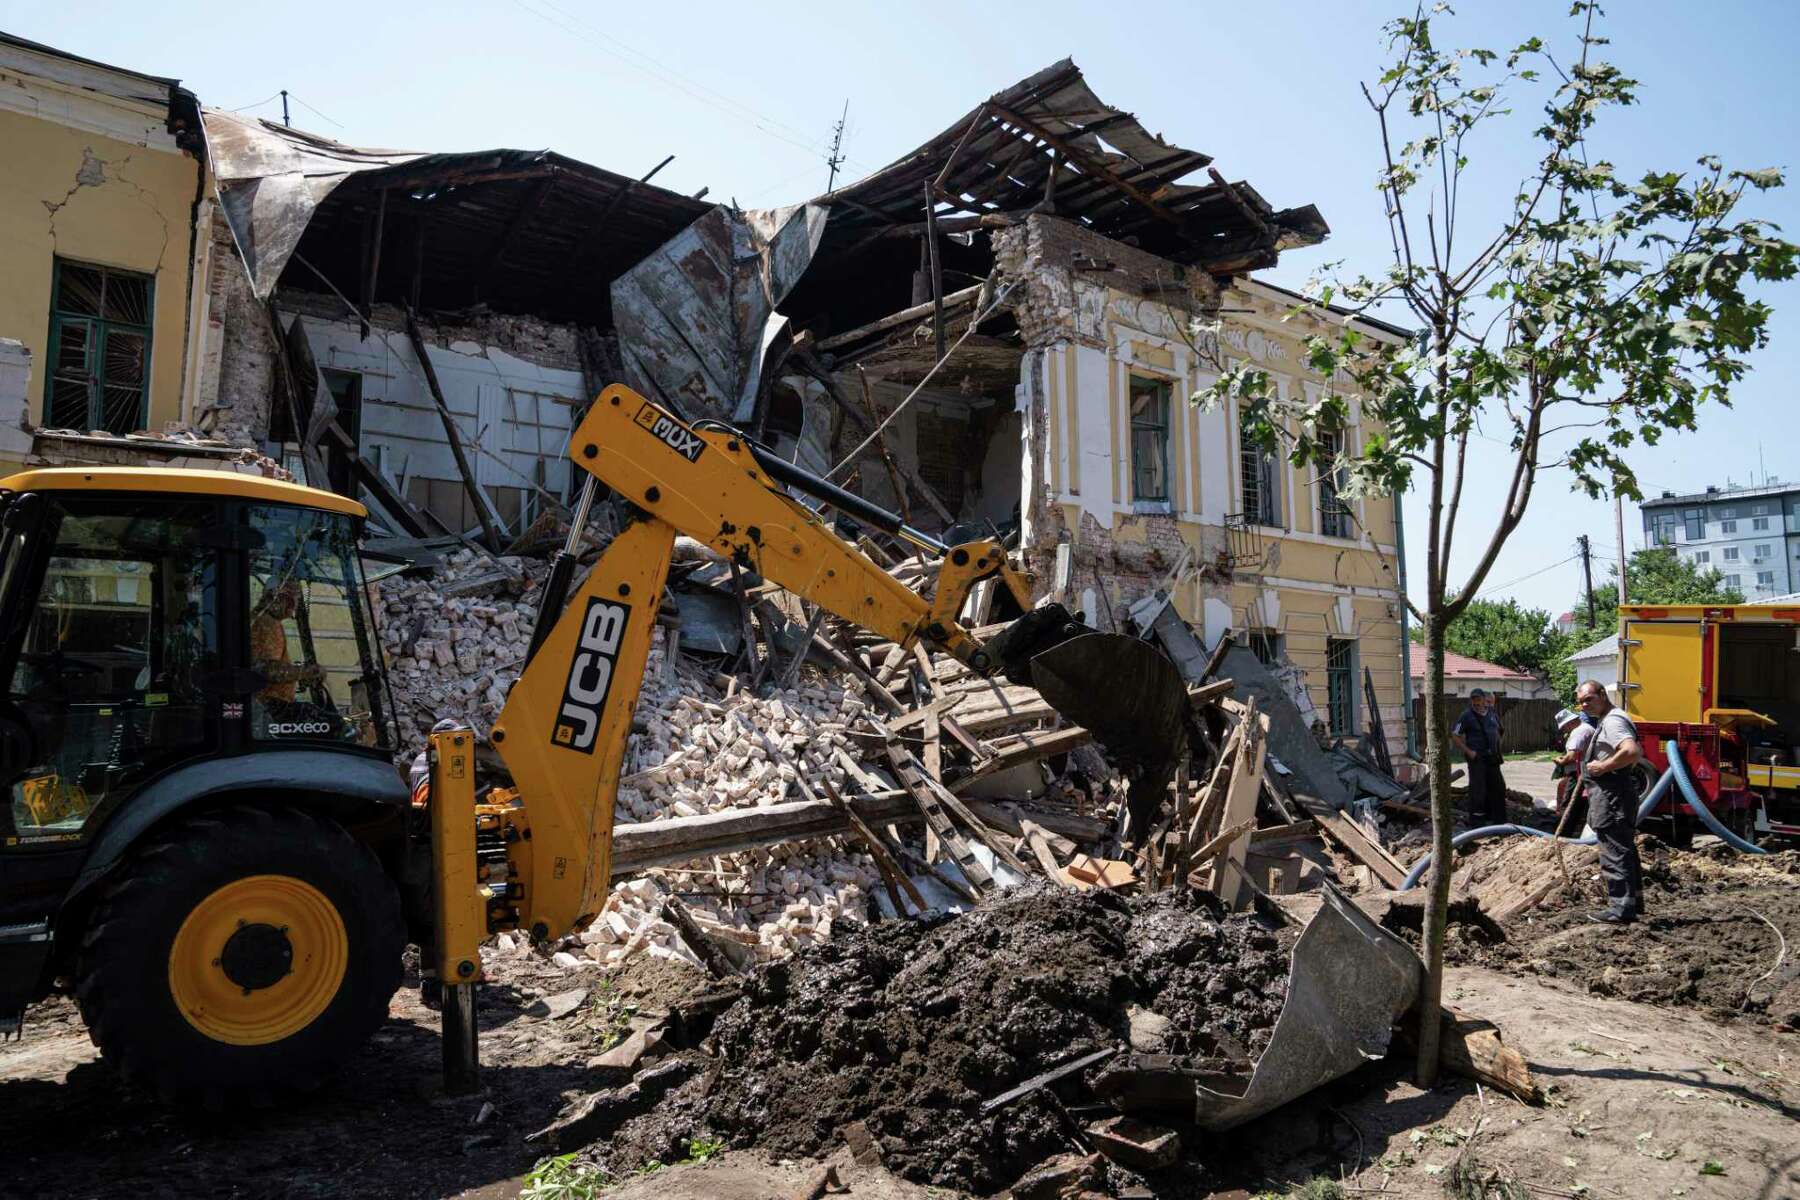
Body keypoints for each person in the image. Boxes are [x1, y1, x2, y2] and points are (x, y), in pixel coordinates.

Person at [1575, 680, 1645, 924]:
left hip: (1613, 795)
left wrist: (1603, 766)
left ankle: (1620, 909)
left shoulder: (1613, 720)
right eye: (1581, 702)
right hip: (1615, 793)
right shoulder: (1609, 718)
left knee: (1614, 850)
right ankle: (1633, 903)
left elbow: (1632, 751)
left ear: (1602, 695)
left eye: (1589, 699)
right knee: (1623, 847)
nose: (1584, 705)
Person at [1451, 688, 1508, 825]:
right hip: (1477, 758)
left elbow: (1500, 731)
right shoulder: (1466, 716)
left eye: (1478, 699)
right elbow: (1455, 735)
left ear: (1484, 700)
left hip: (1493, 758)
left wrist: (1497, 746)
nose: (1476, 702)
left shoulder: (1492, 714)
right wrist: (1469, 752)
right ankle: (1477, 822)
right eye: (1473, 699)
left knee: (1498, 787)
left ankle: (1499, 821)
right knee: (1478, 790)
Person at [1552, 707, 1595, 834]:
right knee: (1580, 804)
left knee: (1569, 805)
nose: (1564, 730)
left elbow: (1572, 756)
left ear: (1569, 723)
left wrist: (1561, 761)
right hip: (1586, 772)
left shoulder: (1579, 732)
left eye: (1564, 727)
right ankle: (1575, 831)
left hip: (1577, 774)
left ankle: (1564, 833)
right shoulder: (1587, 728)